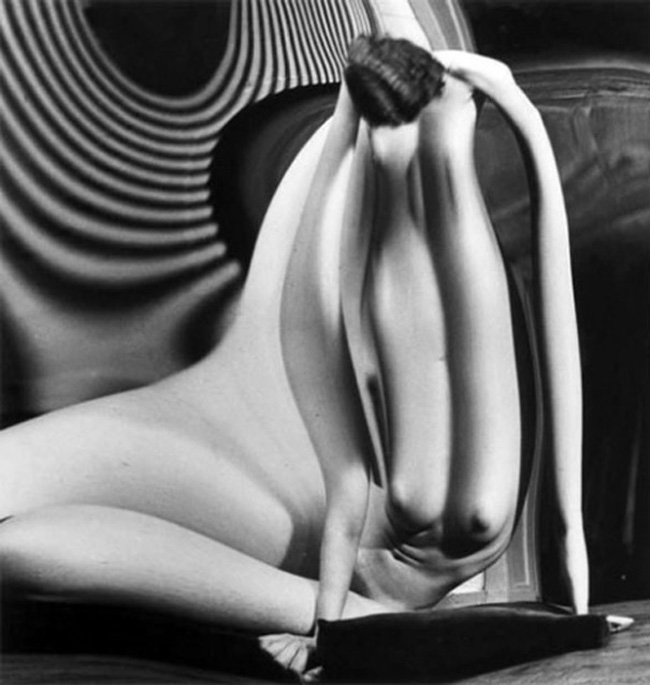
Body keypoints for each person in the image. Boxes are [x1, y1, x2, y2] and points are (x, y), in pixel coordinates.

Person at [0, 36, 589, 677]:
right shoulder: (355, 276)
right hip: (334, 564)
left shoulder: (444, 248)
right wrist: (327, 633)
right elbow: (345, 491)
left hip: (345, 562)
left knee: (17, 548)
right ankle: (379, 623)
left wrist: (577, 614)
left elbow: (565, 501)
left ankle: (382, 623)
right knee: (17, 544)